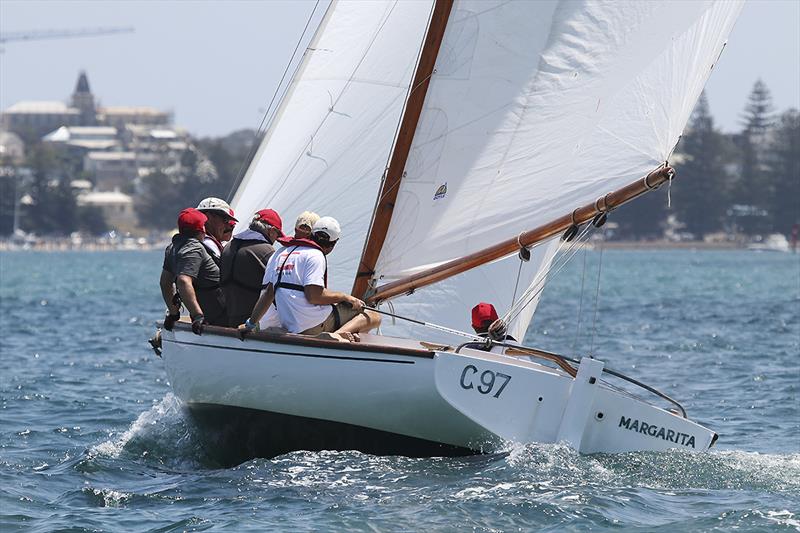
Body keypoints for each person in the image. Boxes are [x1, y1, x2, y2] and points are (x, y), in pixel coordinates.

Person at [241, 216, 381, 341]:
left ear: (312, 234)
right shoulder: (315, 255)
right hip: (311, 326)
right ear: (333, 243)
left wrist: (251, 324)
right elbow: (314, 296)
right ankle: (338, 334)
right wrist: (345, 297)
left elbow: (268, 294)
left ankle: (337, 334)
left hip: (289, 324)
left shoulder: (281, 252)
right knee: (373, 316)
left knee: (339, 307)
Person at [160, 208, 227, 334]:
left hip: (208, 313)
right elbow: (184, 281)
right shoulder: (194, 248)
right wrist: (198, 316)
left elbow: (165, 283)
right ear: (202, 229)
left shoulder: (172, 248)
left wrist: (173, 313)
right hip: (219, 314)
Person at [220, 208, 284, 327]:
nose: (276, 240)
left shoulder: (228, 247)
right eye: (277, 235)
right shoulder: (267, 251)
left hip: (229, 318)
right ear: (271, 231)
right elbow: (276, 290)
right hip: (254, 323)